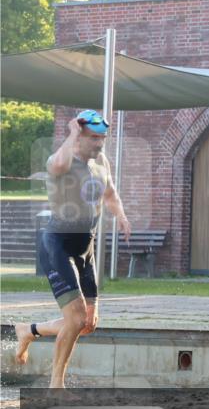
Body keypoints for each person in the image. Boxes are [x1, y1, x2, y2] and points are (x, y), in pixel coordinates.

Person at [13, 110, 131, 388]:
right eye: (94, 138)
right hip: (58, 244)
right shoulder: (62, 159)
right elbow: (55, 166)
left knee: (87, 323)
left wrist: (121, 215)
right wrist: (72, 134)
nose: (100, 144)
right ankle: (56, 385)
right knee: (75, 318)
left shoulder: (101, 160)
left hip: (85, 246)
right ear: (79, 136)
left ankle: (28, 331)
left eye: (102, 138)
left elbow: (110, 193)